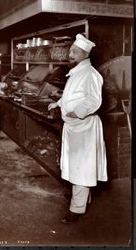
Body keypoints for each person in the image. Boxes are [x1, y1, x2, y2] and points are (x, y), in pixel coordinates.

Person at [48, 34, 107, 224]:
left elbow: (93, 100)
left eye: (74, 51)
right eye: (71, 50)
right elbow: (71, 95)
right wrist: (58, 104)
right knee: (77, 165)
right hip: (75, 128)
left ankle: (76, 209)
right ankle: (81, 196)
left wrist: (75, 113)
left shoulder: (91, 74)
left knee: (82, 167)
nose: (69, 54)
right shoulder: (77, 72)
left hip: (84, 127)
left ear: (84, 55)